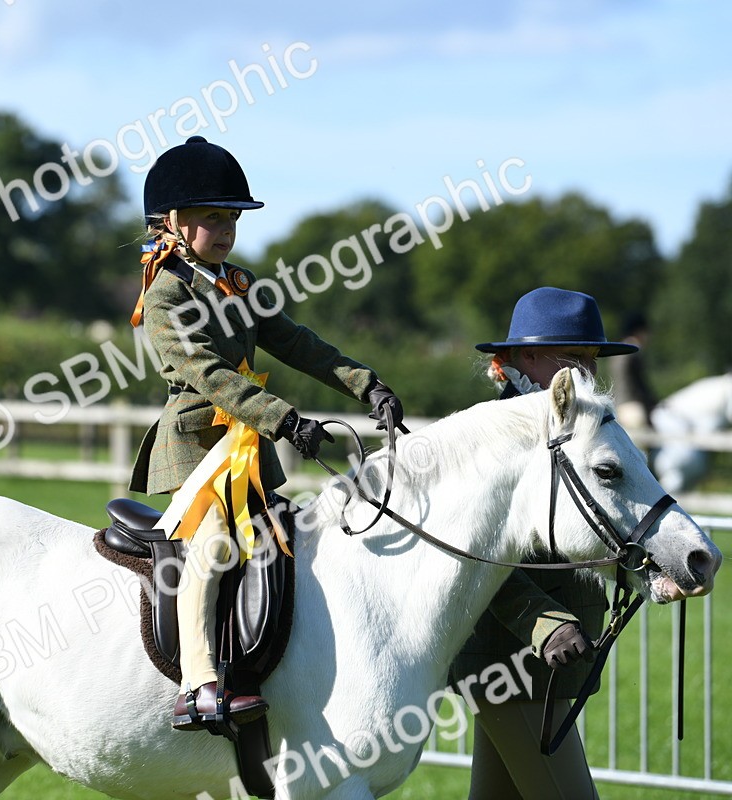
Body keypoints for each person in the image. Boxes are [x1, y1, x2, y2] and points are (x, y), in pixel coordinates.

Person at [126, 135, 404, 731]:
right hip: (199, 447)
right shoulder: (166, 293)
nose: (224, 230)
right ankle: (198, 684)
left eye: (231, 218)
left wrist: (366, 384)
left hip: (248, 448)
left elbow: (298, 343)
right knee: (216, 539)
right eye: (210, 218)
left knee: (289, 538)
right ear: (171, 223)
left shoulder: (239, 282)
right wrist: (284, 419)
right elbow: (209, 374)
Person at [452, 286, 638, 800]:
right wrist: (544, 622)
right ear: (523, 357)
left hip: (541, 671)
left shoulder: (574, 434)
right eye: (573, 360)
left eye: (591, 362)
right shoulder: (490, 439)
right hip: (510, 663)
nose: (586, 377)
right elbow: (476, 558)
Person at [609, 312, 656, 432]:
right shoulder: (634, 351)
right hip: (633, 408)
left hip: (616, 406)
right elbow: (639, 383)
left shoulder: (617, 351)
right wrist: (653, 401)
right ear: (639, 331)